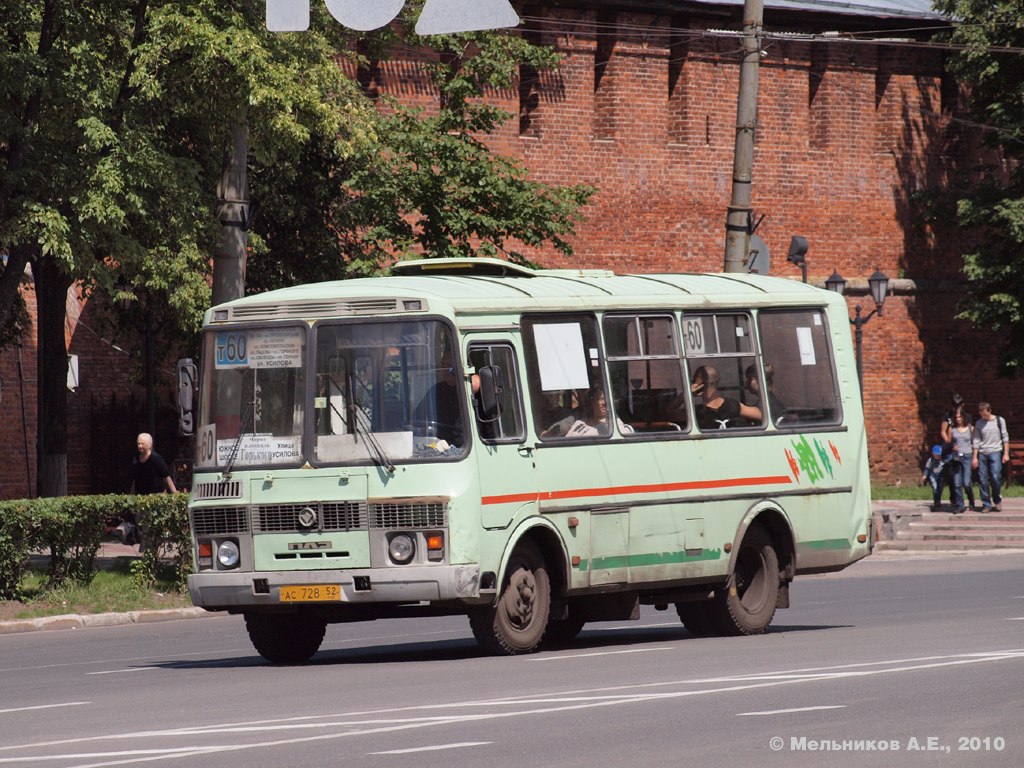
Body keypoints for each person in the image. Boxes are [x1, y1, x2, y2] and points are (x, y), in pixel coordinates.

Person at [127, 433, 177, 547]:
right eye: (138, 443)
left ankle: (148, 549)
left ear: (149, 445)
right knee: (140, 523)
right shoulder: (136, 459)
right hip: (141, 498)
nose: (139, 446)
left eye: (142, 443)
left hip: (155, 497)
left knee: (149, 525)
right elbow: (135, 480)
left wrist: (175, 493)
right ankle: (147, 547)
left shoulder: (156, 459)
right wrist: (131, 496)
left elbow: (166, 477)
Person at [691, 365, 761, 430]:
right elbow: (763, 415)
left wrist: (686, 394)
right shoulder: (733, 405)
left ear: (702, 382)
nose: (692, 383)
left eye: (694, 380)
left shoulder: (694, 411)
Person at [972, 401, 1010, 513]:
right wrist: (975, 457)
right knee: (982, 480)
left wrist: (1006, 453)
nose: (983, 417)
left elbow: (1005, 437)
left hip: (995, 451)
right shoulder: (979, 423)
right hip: (983, 453)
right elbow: (976, 440)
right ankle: (986, 504)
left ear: (990, 411)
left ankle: (997, 500)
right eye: (981, 415)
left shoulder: (999, 420)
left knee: (995, 476)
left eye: (985, 414)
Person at [564, 386, 633, 437]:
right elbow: (566, 442)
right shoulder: (579, 422)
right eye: (601, 399)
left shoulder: (614, 424)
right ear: (592, 403)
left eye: (608, 400)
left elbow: (625, 437)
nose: (605, 403)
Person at [948, 406, 975, 513]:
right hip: (956, 457)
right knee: (957, 482)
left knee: (966, 482)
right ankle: (960, 504)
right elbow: (949, 443)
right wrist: (952, 447)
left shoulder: (970, 428)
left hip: (967, 456)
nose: (958, 419)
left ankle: (971, 499)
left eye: (960, 416)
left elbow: (974, 443)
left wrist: (974, 457)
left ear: (964, 417)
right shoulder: (952, 429)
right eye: (956, 417)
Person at [921, 444, 949, 512]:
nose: (938, 456)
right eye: (937, 455)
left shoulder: (943, 460)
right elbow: (927, 468)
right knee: (935, 488)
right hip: (933, 476)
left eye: (939, 455)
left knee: (940, 488)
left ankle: (938, 499)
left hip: (941, 476)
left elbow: (947, 467)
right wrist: (925, 475)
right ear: (933, 454)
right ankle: (936, 502)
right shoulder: (930, 460)